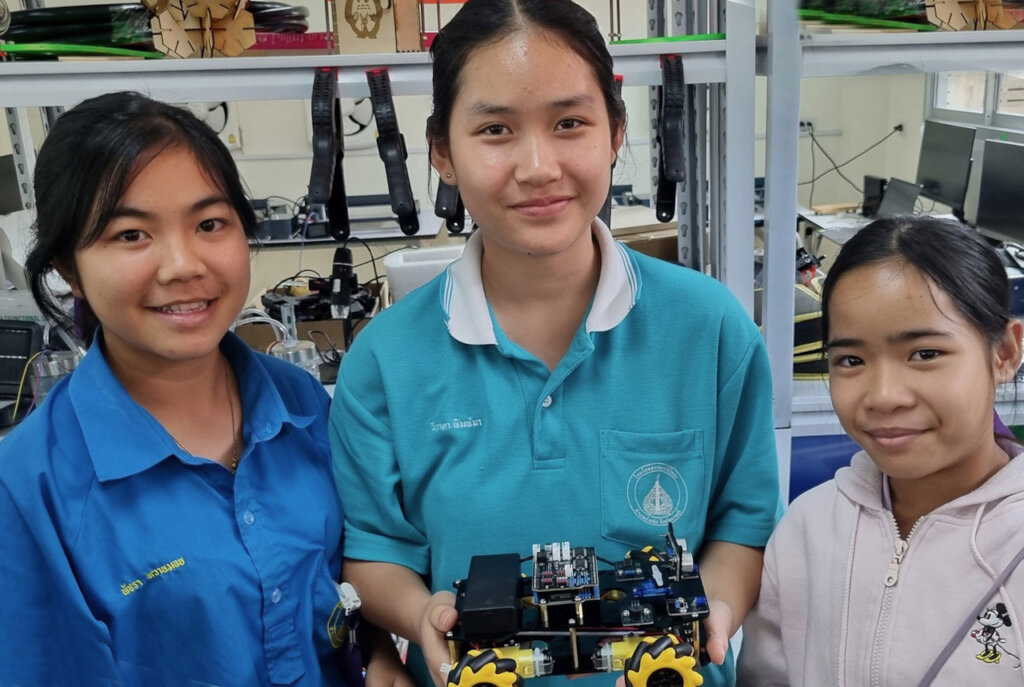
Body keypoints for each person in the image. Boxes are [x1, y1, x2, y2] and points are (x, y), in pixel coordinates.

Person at [329, 1, 782, 686]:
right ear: (443, 152)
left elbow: (742, 524)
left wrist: (709, 611)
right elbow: (374, 549)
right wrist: (422, 613)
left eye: (569, 123)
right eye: (496, 129)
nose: (538, 166)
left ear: (616, 130)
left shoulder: (711, 328)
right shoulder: (384, 360)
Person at [0, 92, 409, 687]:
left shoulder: (300, 403)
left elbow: (340, 586)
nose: (183, 265)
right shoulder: (28, 487)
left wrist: (378, 651)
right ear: (67, 266)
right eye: (131, 235)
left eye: (209, 224)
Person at [737, 216, 1024, 685]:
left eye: (925, 354)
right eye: (851, 360)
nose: (884, 396)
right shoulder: (807, 529)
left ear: (1005, 354)